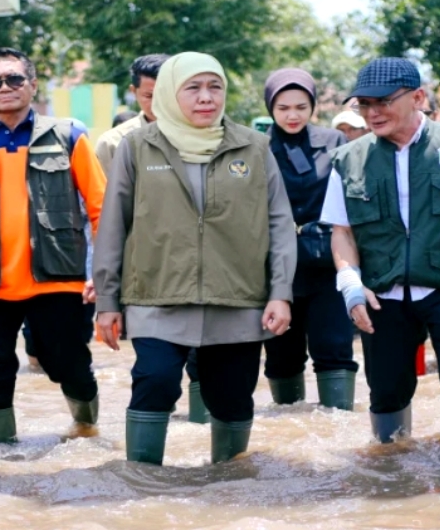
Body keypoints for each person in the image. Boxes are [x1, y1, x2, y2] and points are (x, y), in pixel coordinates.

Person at [94, 52, 297, 465]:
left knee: (232, 396)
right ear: (170, 93)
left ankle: (226, 485)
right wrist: (106, 300)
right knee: (154, 382)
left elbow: (279, 223)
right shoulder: (137, 147)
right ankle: (143, 484)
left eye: (214, 87)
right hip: (156, 294)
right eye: (193, 88)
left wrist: (280, 292)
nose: (206, 97)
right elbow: (113, 224)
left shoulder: (254, 147)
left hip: (237, 296)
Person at [320, 57, 440, 469]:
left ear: (418, 98)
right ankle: (390, 471)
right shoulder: (349, 160)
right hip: (383, 294)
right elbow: (342, 233)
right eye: (364, 104)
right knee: (386, 390)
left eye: (383, 102)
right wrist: (351, 285)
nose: (373, 113)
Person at [0, 47, 105, 444]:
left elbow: (101, 207)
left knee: (68, 363)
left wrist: (103, 273)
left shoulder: (68, 136)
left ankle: (86, 429)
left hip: (58, 278)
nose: (4, 87)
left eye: (14, 79)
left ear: (32, 84)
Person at [260, 68, 359, 409]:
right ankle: (288, 423)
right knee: (281, 356)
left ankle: (339, 423)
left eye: (301, 107)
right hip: (276, 267)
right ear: (270, 108)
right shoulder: (257, 147)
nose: (293, 115)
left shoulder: (334, 142)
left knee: (335, 348)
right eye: (283, 108)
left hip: (327, 261)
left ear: (313, 107)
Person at [94, 54, 170, 175]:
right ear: (134, 91)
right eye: (149, 96)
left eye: (165, 94)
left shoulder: (197, 134)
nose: (157, 103)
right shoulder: (113, 142)